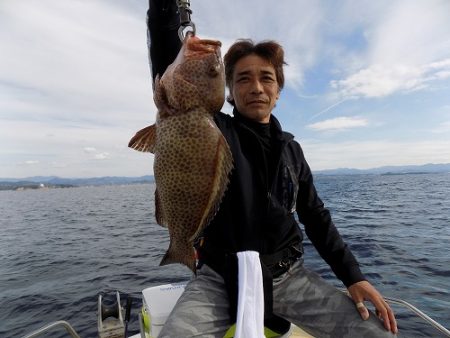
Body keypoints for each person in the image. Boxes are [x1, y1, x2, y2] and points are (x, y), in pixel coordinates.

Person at [146, 1, 398, 337]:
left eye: (266, 78)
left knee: (377, 333)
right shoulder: (209, 128)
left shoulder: (292, 151)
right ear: (231, 92)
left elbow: (315, 216)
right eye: (243, 79)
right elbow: (171, 75)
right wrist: (167, 13)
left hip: (288, 276)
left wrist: (353, 276)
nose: (256, 88)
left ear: (278, 91)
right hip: (218, 279)